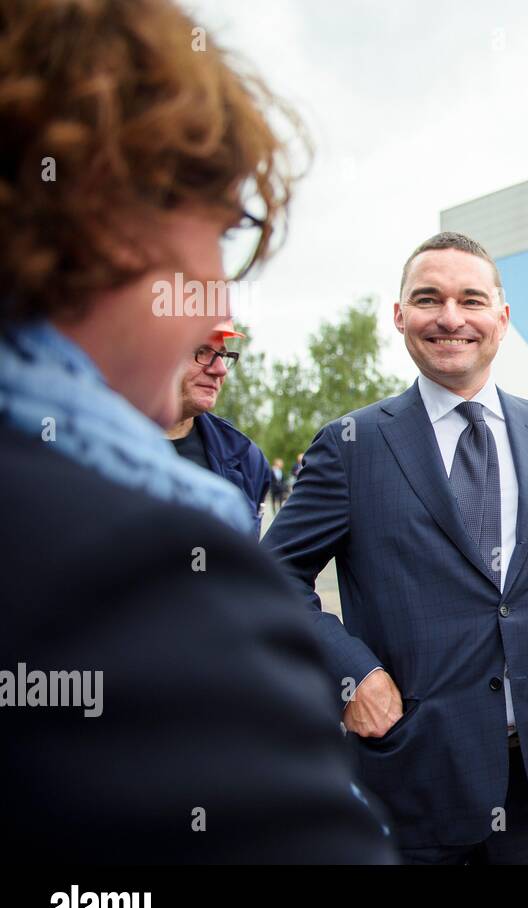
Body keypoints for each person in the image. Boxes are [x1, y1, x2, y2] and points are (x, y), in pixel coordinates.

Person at [0, 0, 395, 863]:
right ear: (110, 200)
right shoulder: (132, 573)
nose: (216, 305)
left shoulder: (238, 458)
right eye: (222, 232)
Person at [264, 231, 528, 864]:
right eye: (428, 299)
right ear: (399, 317)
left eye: (471, 299)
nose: (450, 318)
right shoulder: (350, 445)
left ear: (501, 317)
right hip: (414, 773)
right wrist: (350, 673)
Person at [164, 317, 272, 533]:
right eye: (201, 351)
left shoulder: (246, 459)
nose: (220, 369)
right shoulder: (92, 446)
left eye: (223, 355)